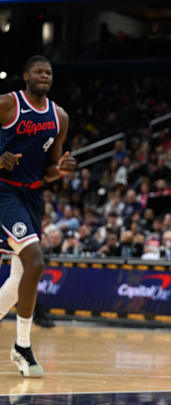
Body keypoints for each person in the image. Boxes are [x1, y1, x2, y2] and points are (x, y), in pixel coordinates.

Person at [0, 55, 76, 377]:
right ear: (25, 75)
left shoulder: (59, 117)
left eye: (49, 72)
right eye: (38, 71)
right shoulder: (7, 104)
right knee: (35, 261)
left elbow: (48, 172)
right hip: (4, 191)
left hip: (32, 195)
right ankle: (22, 346)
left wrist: (61, 171)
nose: (44, 76)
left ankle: (21, 346)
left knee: (20, 278)